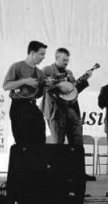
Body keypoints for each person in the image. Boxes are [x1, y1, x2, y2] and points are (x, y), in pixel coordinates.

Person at [40, 47, 96, 181]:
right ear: (56, 58)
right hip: (56, 110)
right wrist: (58, 85)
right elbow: (42, 86)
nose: (66, 63)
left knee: (77, 142)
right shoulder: (47, 70)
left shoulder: (69, 73)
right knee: (57, 143)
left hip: (71, 110)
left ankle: (79, 172)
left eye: (68, 60)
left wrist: (84, 80)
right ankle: (55, 173)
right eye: (64, 60)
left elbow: (74, 91)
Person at [3, 40, 58, 145]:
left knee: (40, 137)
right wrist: (24, 81)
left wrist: (46, 85)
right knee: (23, 142)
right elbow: (6, 86)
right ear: (32, 53)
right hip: (18, 107)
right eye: (41, 54)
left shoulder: (39, 73)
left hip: (32, 106)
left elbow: (37, 95)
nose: (43, 57)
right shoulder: (17, 66)